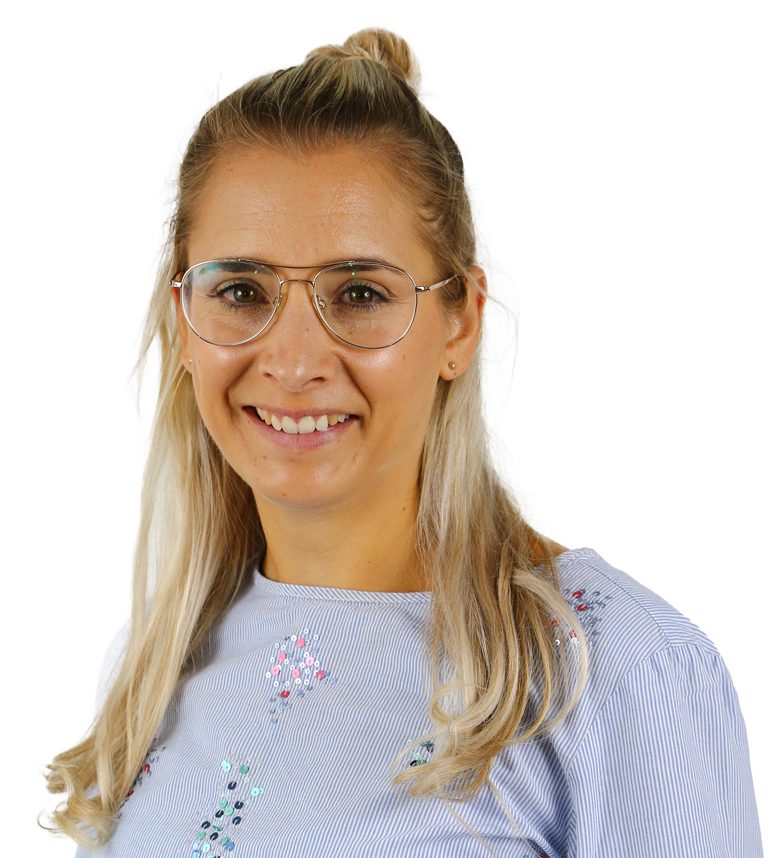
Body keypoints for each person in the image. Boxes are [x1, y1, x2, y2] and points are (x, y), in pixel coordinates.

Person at [41, 28, 763, 857]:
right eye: (241, 290)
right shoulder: (155, 667)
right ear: (184, 318)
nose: (294, 362)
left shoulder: (617, 673)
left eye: (359, 293)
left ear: (462, 323)